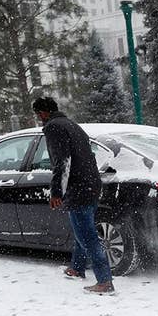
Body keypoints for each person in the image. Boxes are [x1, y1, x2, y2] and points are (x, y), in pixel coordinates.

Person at [32, 97, 114, 294]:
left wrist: (56, 191)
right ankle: (77, 268)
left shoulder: (53, 127)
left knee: (87, 235)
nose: (38, 118)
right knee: (82, 228)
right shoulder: (72, 124)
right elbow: (88, 156)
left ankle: (104, 281)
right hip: (92, 184)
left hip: (78, 187)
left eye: (37, 115)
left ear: (43, 113)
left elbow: (62, 161)